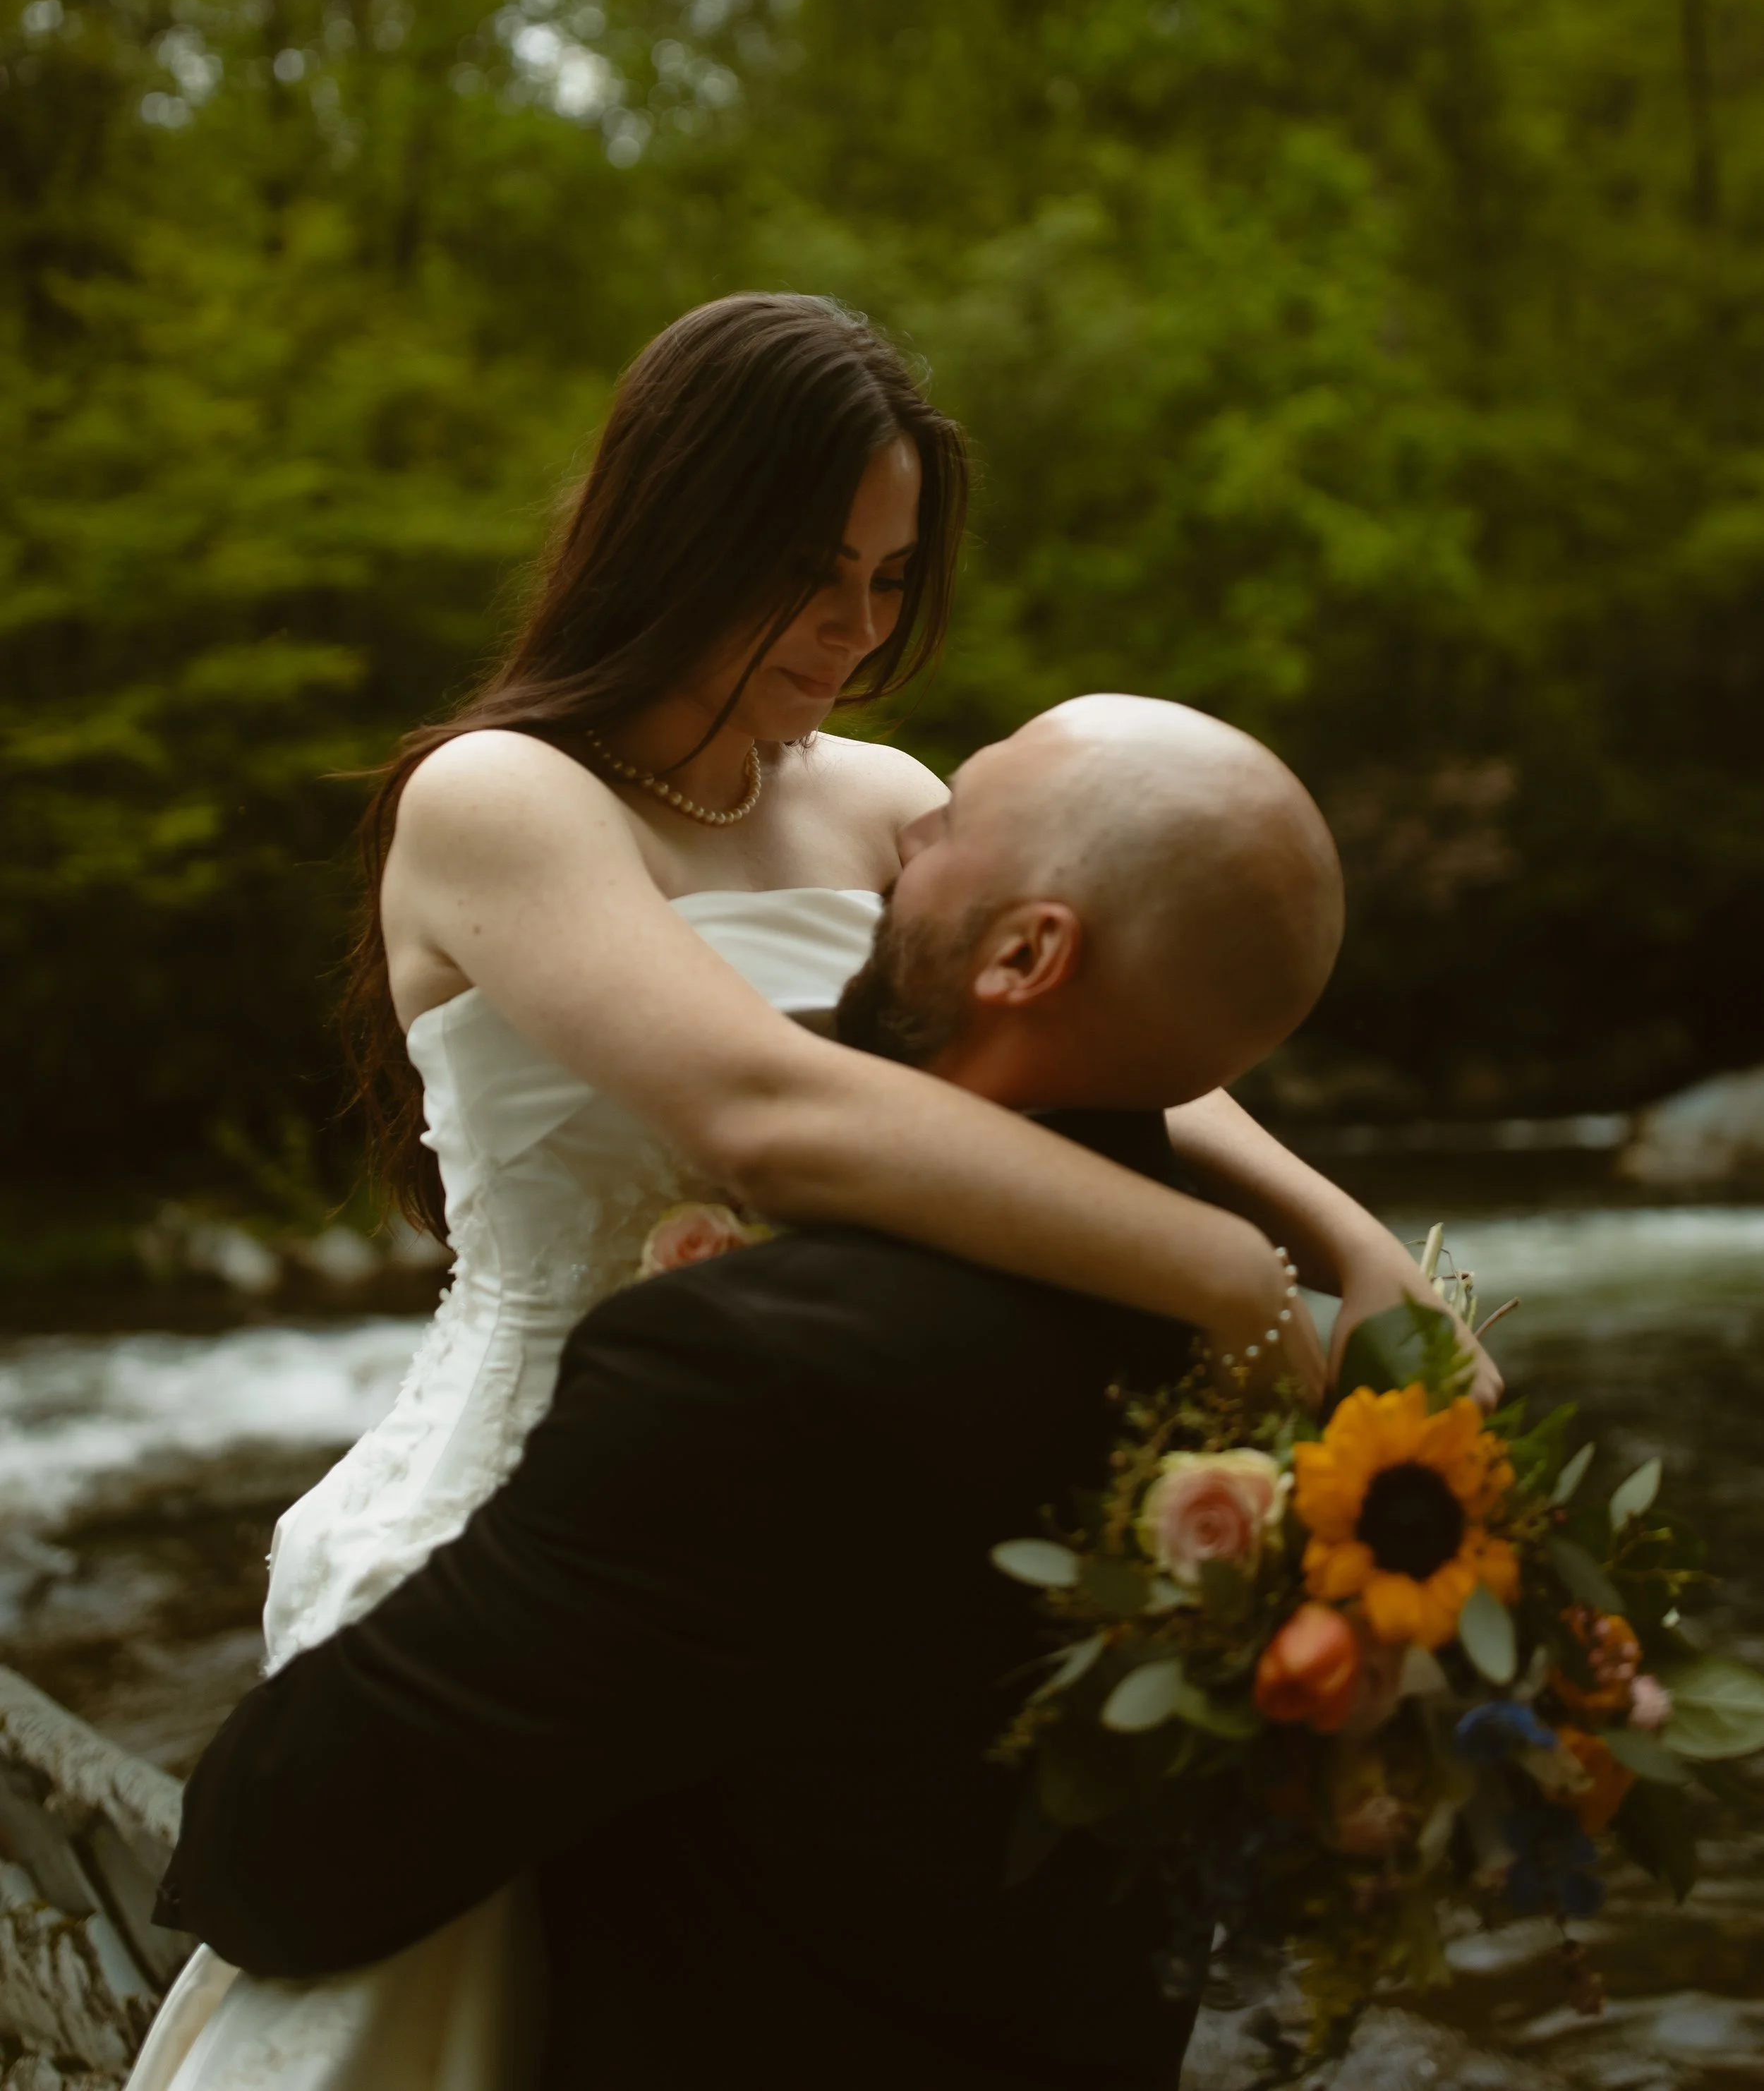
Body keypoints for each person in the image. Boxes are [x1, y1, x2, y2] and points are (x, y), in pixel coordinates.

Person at [127, 294, 1494, 2091]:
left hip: (833, 1466)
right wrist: (1224, 1279)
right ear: (672, 527)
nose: (855, 634)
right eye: (812, 574)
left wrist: (1379, 1287)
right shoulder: (505, 798)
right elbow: (762, 1107)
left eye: (888, 576)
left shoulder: (886, 801)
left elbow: (1159, 1083)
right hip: (543, 1479)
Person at [160, 694, 1360, 2090]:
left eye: (954, 820)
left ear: (1027, 955)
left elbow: (293, 1855)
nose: (903, 826)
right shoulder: (1279, 1386)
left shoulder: (758, 1361)